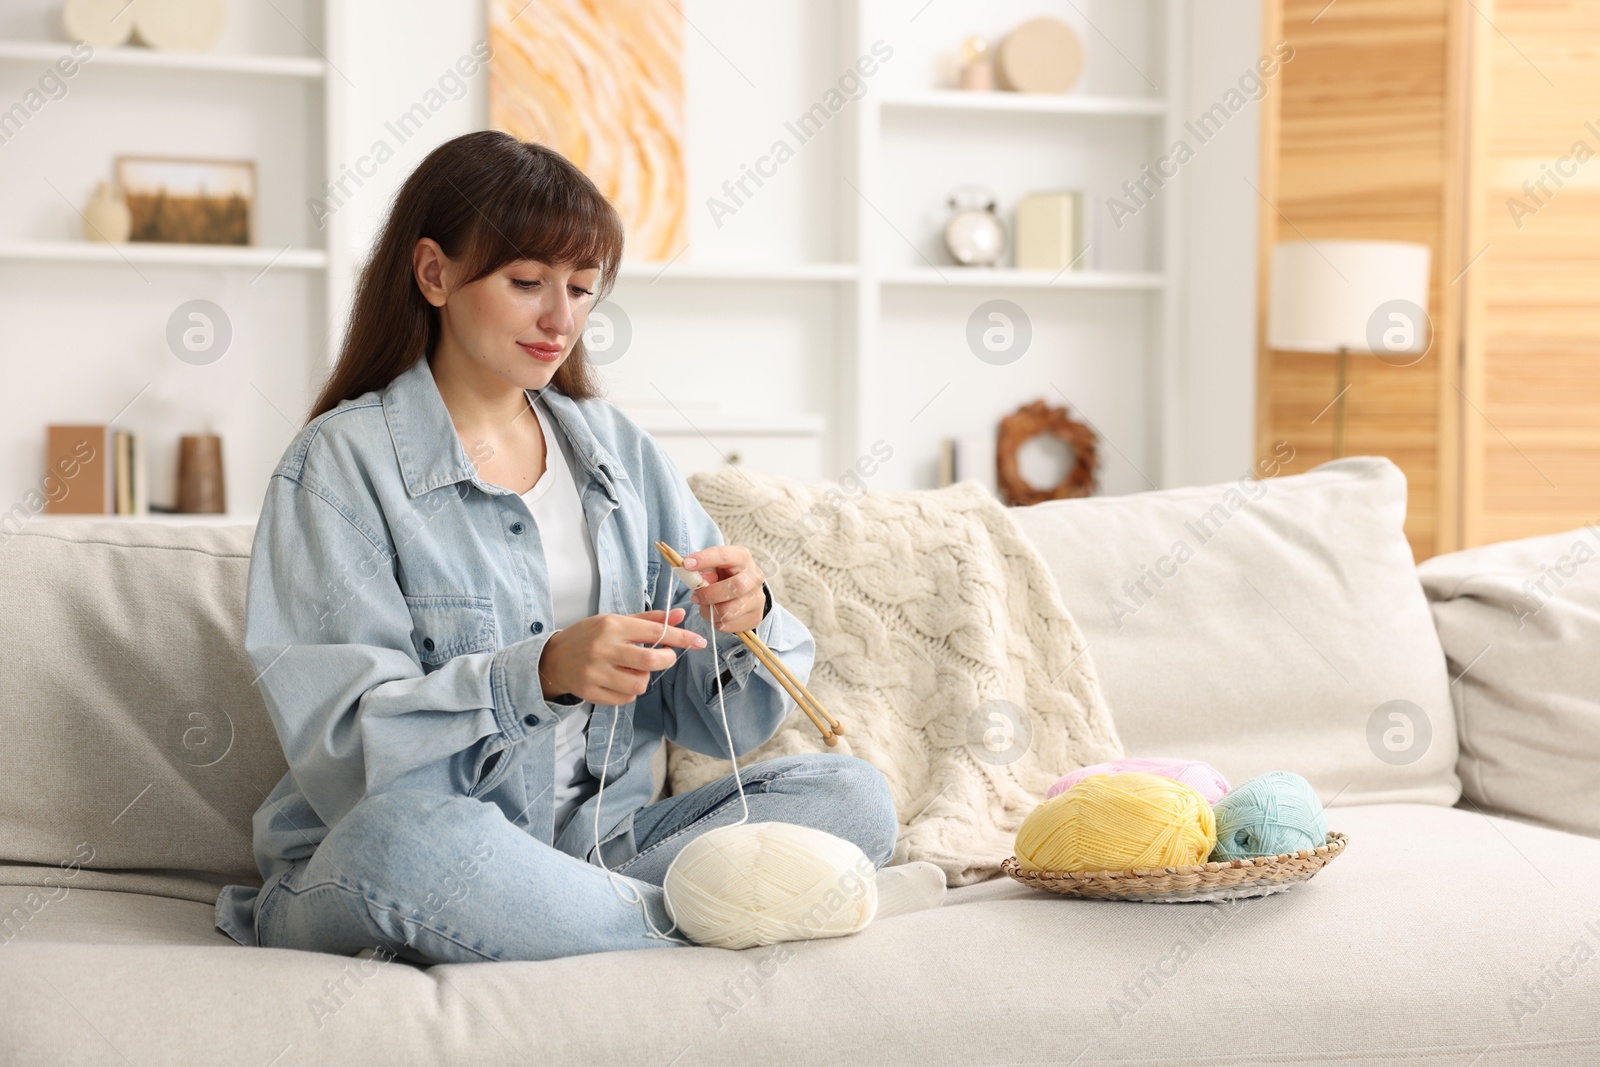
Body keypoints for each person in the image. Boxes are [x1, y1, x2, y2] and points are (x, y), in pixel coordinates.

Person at [211, 130, 905, 964]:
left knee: (854, 797)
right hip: (408, 852)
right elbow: (348, 758)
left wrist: (742, 619)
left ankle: (581, 924)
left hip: (599, 850)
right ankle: (689, 926)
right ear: (434, 274)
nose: (561, 319)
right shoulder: (338, 467)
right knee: (401, 843)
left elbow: (712, 721)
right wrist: (537, 674)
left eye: (580, 289)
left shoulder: (614, 450)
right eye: (527, 282)